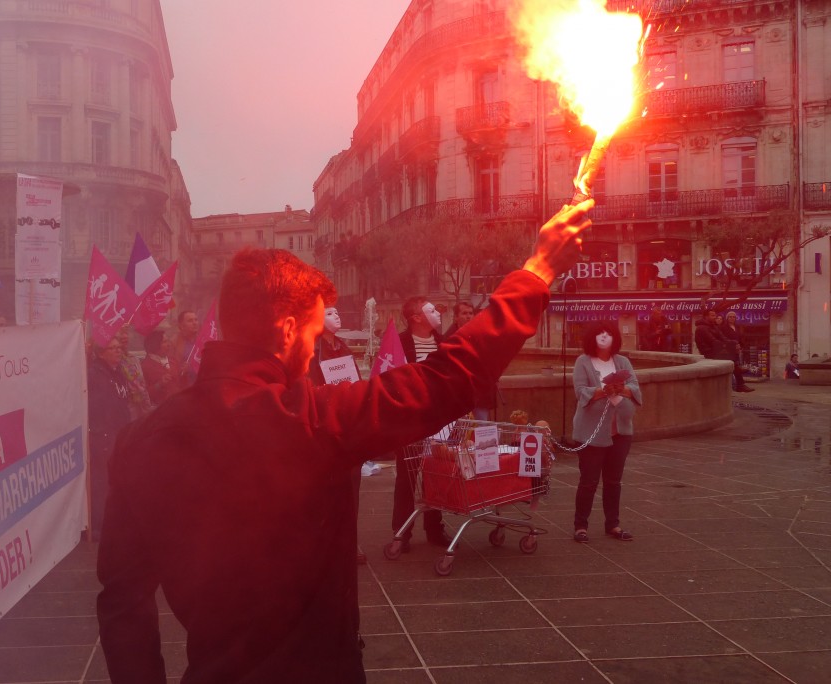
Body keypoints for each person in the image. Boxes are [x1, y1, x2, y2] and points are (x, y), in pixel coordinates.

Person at [95, 198, 592, 684]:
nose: (314, 346)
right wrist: (538, 271)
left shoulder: (139, 441)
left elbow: (121, 601)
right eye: (313, 333)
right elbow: (447, 378)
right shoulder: (309, 420)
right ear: (287, 331)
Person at [390, 295, 451, 550]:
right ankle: (402, 532)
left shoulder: (443, 342)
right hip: (410, 420)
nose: (437, 312)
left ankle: (434, 529)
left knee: (435, 475)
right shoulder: (400, 343)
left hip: (439, 420)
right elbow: (389, 379)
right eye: (431, 310)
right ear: (416, 318)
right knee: (407, 478)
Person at [308, 305, 368, 564]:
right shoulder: (311, 349)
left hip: (345, 422)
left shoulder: (342, 347)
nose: (337, 316)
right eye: (330, 313)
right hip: (323, 425)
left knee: (351, 485)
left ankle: (349, 541)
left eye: (337, 312)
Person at [571, 322, 641, 544]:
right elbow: (580, 391)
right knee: (589, 481)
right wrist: (602, 391)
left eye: (609, 333)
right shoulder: (583, 361)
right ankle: (580, 525)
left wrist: (622, 388)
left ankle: (613, 523)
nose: (604, 337)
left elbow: (636, 388)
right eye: (600, 333)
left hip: (620, 431)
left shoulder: (622, 361)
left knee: (614, 481)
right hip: (591, 432)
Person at [86, 336, 132, 541]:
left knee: (115, 478)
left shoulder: (116, 372)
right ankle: (99, 523)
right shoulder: (96, 373)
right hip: (103, 435)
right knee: (101, 480)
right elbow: (97, 406)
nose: (117, 351)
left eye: (118, 348)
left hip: (118, 432)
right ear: (101, 353)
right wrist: (102, 430)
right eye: (112, 348)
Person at [695, 309, 752, 392]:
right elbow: (713, 341)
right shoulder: (702, 328)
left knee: (732, 361)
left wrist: (734, 343)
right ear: (706, 316)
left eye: (715, 315)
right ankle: (739, 383)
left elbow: (723, 338)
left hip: (716, 350)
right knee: (732, 361)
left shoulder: (713, 326)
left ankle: (739, 380)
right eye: (712, 315)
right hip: (709, 352)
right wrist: (729, 346)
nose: (715, 317)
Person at [116, 325, 151, 420]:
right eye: (120, 332)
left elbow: (142, 387)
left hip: (138, 412)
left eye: (126, 332)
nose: (124, 336)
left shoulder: (133, 360)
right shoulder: (111, 363)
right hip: (122, 413)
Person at [141, 329, 180, 407]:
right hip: (160, 410)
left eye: (168, 341)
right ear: (155, 345)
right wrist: (160, 384)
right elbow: (144, 394)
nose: (168, 344)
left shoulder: (173, 360)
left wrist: (183, 371)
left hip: (178, 406)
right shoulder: (145, 366)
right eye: (164, 342)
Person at [173, 310, 200, 388]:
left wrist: (193, 367)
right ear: (181, 326)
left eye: (196, 320)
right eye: (190, 321)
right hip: (184, 388)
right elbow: (170, 368)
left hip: (202, 386)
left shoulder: (203, 340)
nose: (195, 323)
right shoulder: (173, 343)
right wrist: (180, 368)